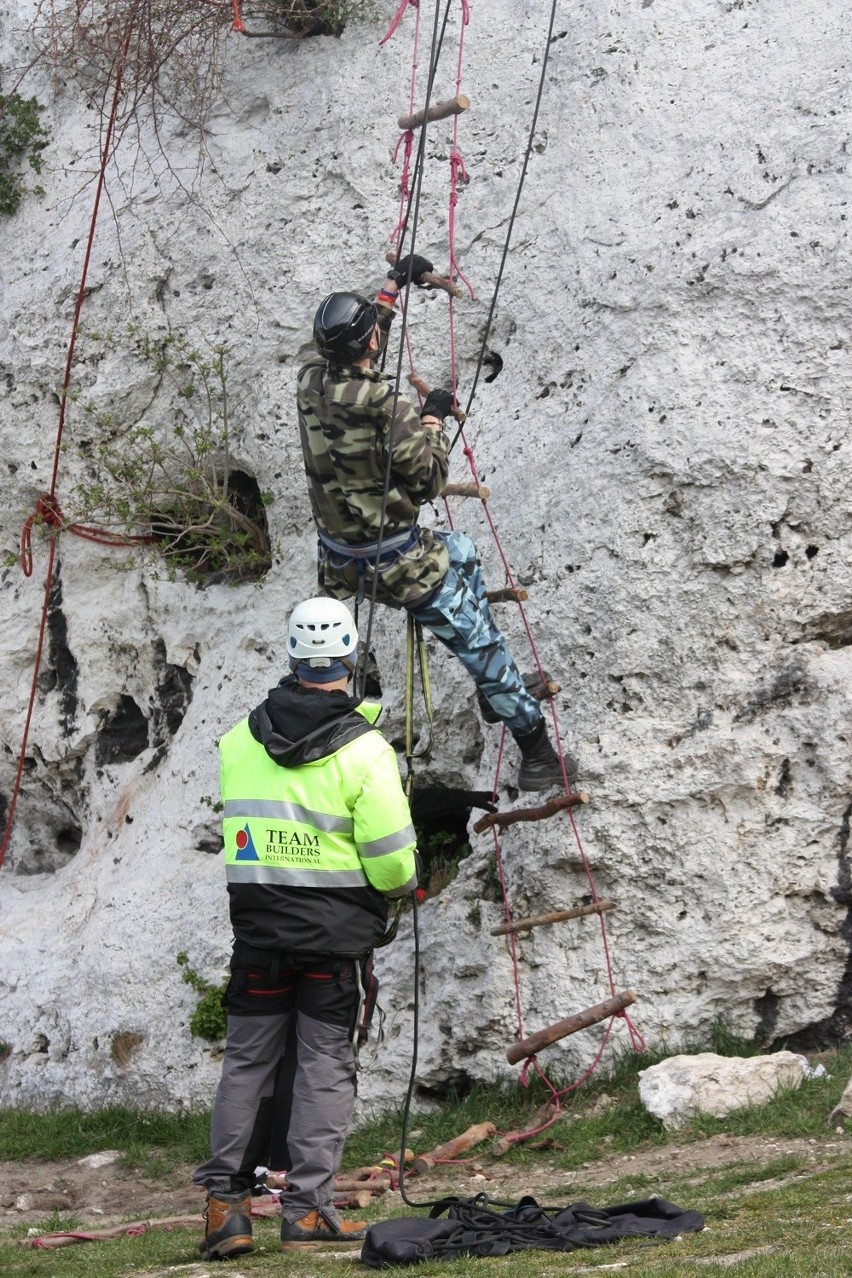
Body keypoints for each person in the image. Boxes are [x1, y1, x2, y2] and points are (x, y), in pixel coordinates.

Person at [296, 254, 577, 791]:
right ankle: (537, 752)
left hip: (340, 562)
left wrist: (390, 289)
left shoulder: (309, 382)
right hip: (399, 564)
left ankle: (492, 699)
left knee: (464, 550)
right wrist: (434, 417)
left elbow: (353, 350)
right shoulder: (388, 406)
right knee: (482, 648)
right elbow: (427, 481)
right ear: (371, 347)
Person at [193, 597, 418, 1259]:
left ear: (293, 658)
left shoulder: (240, 740)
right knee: (323, 1067)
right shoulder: (366, 751)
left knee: (246, 1066)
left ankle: (224, 1212)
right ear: (352, 659)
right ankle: (308, 1210)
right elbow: (392, 865)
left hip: (259, 938)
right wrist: (403, 881)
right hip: (332, 943)